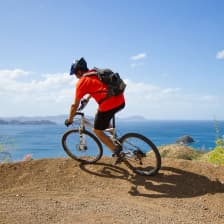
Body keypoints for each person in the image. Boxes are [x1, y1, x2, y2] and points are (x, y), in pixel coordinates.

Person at [65, 57, 125, 158]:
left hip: (109, 105)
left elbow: (74, 105)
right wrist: (87, 99)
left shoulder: (82, 82)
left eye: (75, 74)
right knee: (100, 116)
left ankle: (117, 151)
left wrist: (70, 120)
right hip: (121, 101)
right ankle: (115, 138)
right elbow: (100, 88)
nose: (76, 77)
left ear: (79, 72)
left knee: (97, 130)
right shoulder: (96, 72)